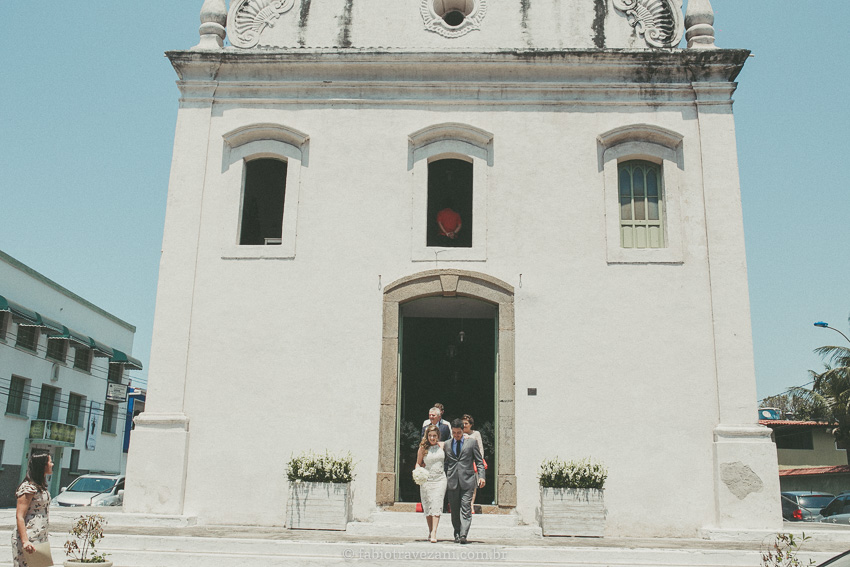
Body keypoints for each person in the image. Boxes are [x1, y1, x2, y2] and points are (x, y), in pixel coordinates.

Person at [444, 418, 485, 544]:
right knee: (455, 509)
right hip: (452, 481)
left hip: (468, 480)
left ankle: (463, 534)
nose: (456, 435)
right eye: (454, 433)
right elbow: (445, 463)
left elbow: (479, 461)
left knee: (466, 507)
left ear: (463, 431)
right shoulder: (447, 444)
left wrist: (481, 476)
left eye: (459, 433)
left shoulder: (471, 443)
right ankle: (456, 532)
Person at [12, 452, 52, 567]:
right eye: (49, 462)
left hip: (40, 536)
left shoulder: (40, 487)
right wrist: (25, 541)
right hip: (29, 537)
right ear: (42, 465)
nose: (52, 464)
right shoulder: (28, 488)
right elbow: (20, 516)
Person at [416, 424, 447, 543]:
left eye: (434, 436)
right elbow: (418, 463)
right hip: (427, 480)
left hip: (440, 479)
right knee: (428, 505)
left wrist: (468, 436)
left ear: (438, 436)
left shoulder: (442, 446)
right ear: (427, 436)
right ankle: (430, 530)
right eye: (430, 436)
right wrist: (418, 473)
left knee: (437, 504)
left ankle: (434, 531)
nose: (432, 438)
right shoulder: (423, 448)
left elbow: (455, 440)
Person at [462, 414, 485, 509]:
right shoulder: (459, 433)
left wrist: (478, 461)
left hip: (473, 463)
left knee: (473, 485)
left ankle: (471, 504)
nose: (464, 425)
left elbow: (480, 448)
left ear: (471, 424)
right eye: (462, 423)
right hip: (463, 463)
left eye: (466, 423)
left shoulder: (476, 434)